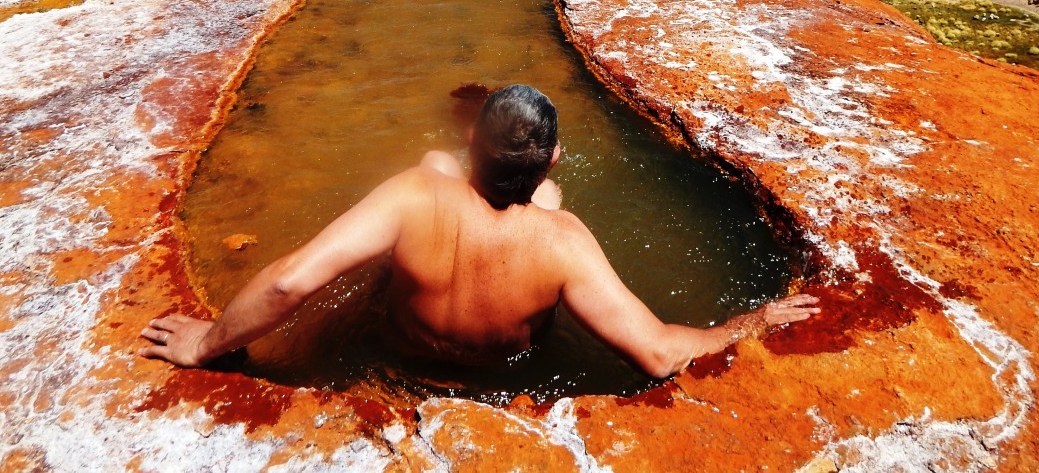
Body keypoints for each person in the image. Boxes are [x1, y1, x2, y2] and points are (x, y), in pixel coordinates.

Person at [141, 84, 820, 377]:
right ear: (551, 158)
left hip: (398, 353)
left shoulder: (414, 194)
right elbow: (659, 352)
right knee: (544, 206)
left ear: (473, 147)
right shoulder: (565, 239)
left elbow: (292, 281)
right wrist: (752, 320)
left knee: (424, 175)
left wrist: (208, 344)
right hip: (497, 373)